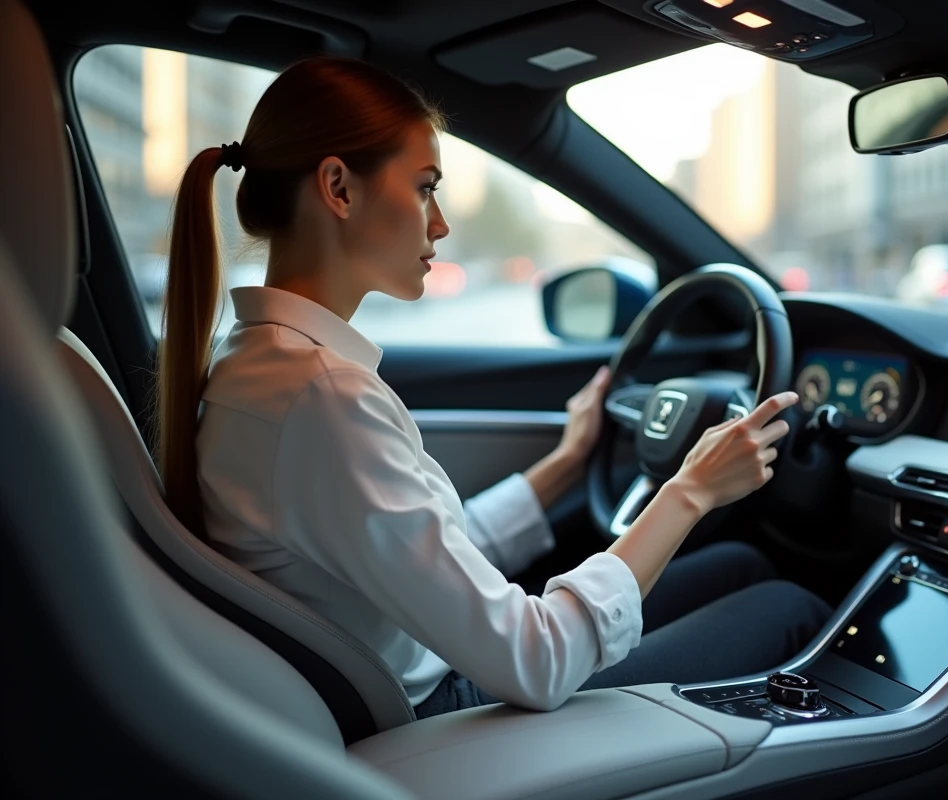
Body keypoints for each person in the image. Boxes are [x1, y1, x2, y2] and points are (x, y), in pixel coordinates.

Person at [154, 56, 831, 718]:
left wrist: (566, 464)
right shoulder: (323, 400)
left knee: (741, 565)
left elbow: (428, 551)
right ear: (338, 188)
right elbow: (535, 660)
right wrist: (690, 491)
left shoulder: (263, 365)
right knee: (791, 608)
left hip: (430, 666)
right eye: (424, 186)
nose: (440, 222)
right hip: (444, 710)